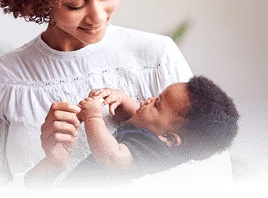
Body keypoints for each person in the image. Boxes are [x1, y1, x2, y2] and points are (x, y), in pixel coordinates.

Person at [0, 0, 233, 192]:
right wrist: (51, 165)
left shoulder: (156, 56)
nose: (97, 16)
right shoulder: (3, 79)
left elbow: (212, 177)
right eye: (75, 4)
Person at [28, 75, 238, 192]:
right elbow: (131, 118)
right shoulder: (154, 135)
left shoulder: (156, 152)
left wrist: (93, 117)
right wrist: (120, 98)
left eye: (157, 104)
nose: (147, 100)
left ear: (169, 139)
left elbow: (112, 156)